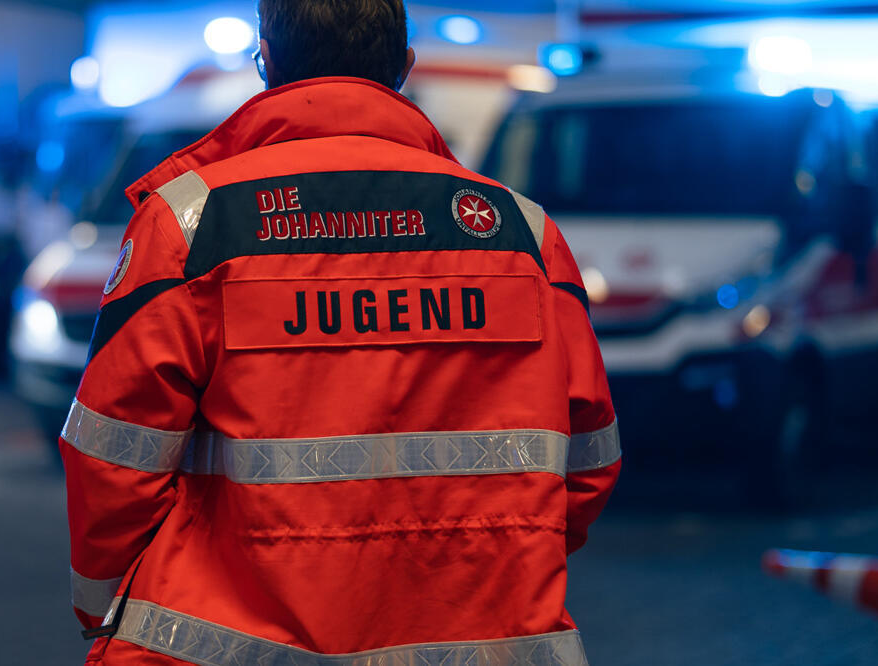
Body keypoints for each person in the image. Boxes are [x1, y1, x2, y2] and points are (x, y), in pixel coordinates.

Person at [60, 1, 619, 663]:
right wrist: (498, 555)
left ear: (264, 59)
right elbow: (587, 462)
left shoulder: (192, 224)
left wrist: (103, 605)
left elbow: (114, 461)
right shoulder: (521, 233)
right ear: (405, 68)